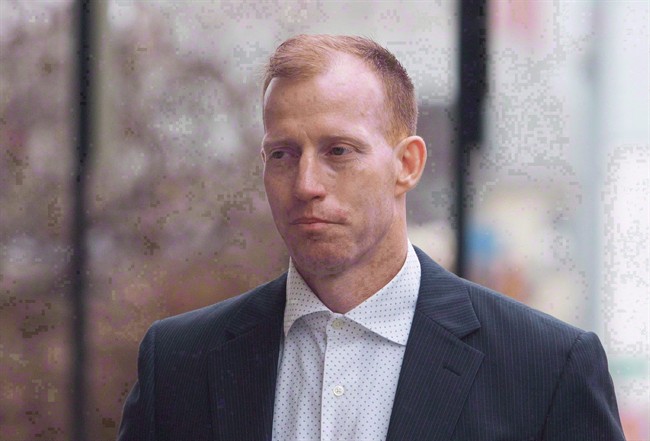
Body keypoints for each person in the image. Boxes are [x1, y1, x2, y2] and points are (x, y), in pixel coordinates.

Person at [117, 35, 625, 441]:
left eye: (339, 151)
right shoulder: (180, 362)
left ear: (408, 165)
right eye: (283, 154)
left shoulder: (545, 368)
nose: (306, 185)